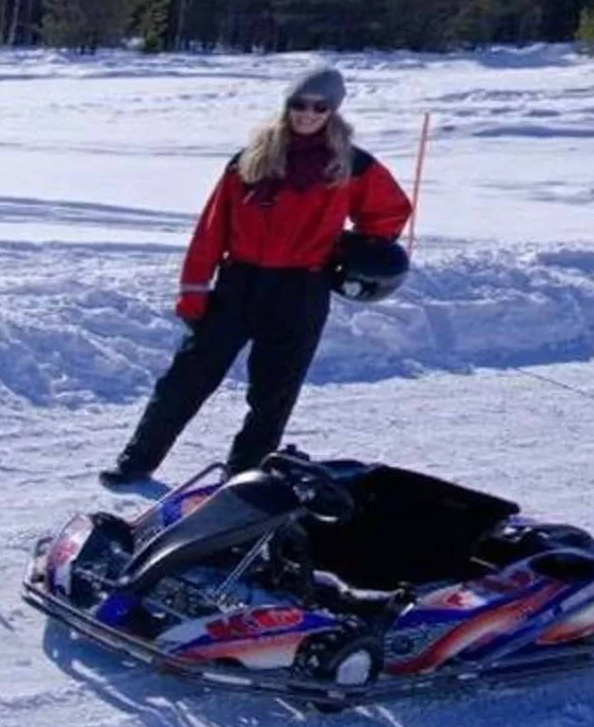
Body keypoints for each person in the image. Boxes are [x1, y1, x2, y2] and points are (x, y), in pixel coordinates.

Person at [102, 66, 414, 490]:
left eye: (319, 106)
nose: (307, 113)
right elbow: (211, 231)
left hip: (302, 289)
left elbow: (391, 211)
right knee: (187, 378)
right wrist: (194, 291)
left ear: (333, 110)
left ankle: (242, 478)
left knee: (273, 393)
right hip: (239, 283)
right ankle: (136, 462)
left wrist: (354, 250)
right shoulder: (250, 159)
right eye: (299, 103)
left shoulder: (352, 165)